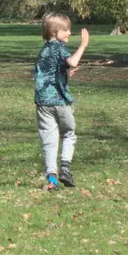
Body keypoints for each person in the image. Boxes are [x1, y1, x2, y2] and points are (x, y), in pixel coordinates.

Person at [34, 12, 88, 190]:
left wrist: (66, 74)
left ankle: (52, 179)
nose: (69, 33)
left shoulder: (44, 50)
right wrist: (83, 45)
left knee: (49, 139)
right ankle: (65, 168)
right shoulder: (58, 47)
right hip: (60, 101)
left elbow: (49, 73)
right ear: (53, 31)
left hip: (43, 102)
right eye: (65, 30)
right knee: (68, 134)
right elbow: (72, 61)